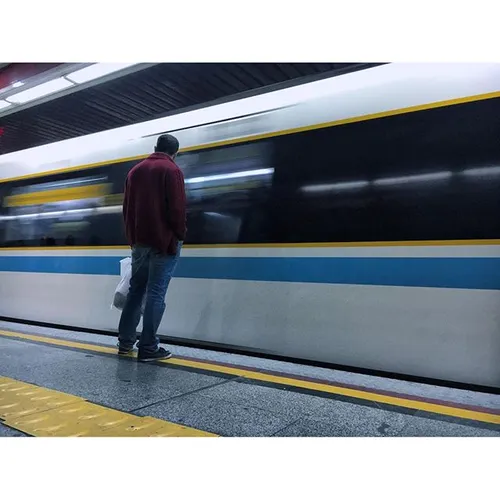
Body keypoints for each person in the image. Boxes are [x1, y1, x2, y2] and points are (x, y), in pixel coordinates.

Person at [118, 134, 187, 362]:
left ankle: (125, 343)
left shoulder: (134, 172)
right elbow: (176, 210)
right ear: (175, 153)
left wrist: (132, 239)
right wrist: (179, 235)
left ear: (155, 147)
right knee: (156, 293)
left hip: (139, 243)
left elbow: (126, 209)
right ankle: (148, 347)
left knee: (135, 291)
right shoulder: (172, 170)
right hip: (163, 242)